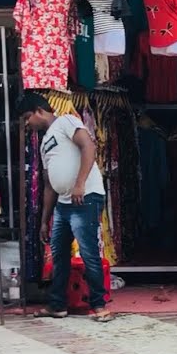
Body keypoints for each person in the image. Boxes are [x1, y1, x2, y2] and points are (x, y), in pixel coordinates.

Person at [17, 92, 114, 322]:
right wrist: (44, 220)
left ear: (40, 111)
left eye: (28, 118)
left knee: (88, 251)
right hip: (63, 203)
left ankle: (99, 305)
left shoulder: (66, 121)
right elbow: (49, 184)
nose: (28, 124)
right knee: (59, 255)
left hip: (85, 197)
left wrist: (80, 184)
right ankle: (57, 305)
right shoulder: (44, 143)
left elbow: (88, 147)